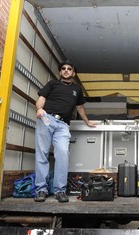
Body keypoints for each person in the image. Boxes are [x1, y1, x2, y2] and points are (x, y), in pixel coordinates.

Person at [34, 60, 95, 202]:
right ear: (60, 72)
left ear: (73, 73)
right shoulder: (52, 84)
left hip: (63, 125)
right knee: (42, 154)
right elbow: (41, 99)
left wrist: (86, 121)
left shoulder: (77, 89)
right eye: (63, 69)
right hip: (46, 119)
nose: (66, 70)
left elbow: (80, 107)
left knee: (62, 154)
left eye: (69, 69)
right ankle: (41, 190)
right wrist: (39, 109)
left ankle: (60, 190)